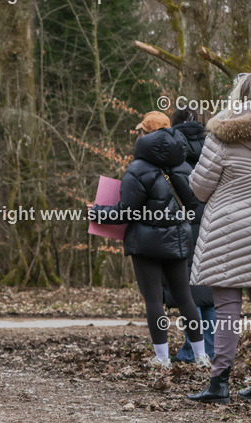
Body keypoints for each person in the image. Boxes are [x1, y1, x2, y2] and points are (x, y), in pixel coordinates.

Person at [90, 111, 209, 370]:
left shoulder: (136, 169)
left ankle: (163, 358)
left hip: (146, 244)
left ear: (145, 135)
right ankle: (201, 356)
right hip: (178, 240)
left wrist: (96, 212)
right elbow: (193, 203)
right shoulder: (184, 165)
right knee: (186, 298)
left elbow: (125, 212)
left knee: (154, 300)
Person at [187, 76, 251, 402]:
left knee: (227, 308)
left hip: (228, 231)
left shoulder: (222, 134)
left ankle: (220, 383)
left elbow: (198, 187)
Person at [165, 108, 214, 363]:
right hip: (215, 222)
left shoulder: (170, 152)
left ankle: (191, 350)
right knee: (211, 293)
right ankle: (210, 349)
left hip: (183, 225)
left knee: (188, 292)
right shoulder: (214, 145)